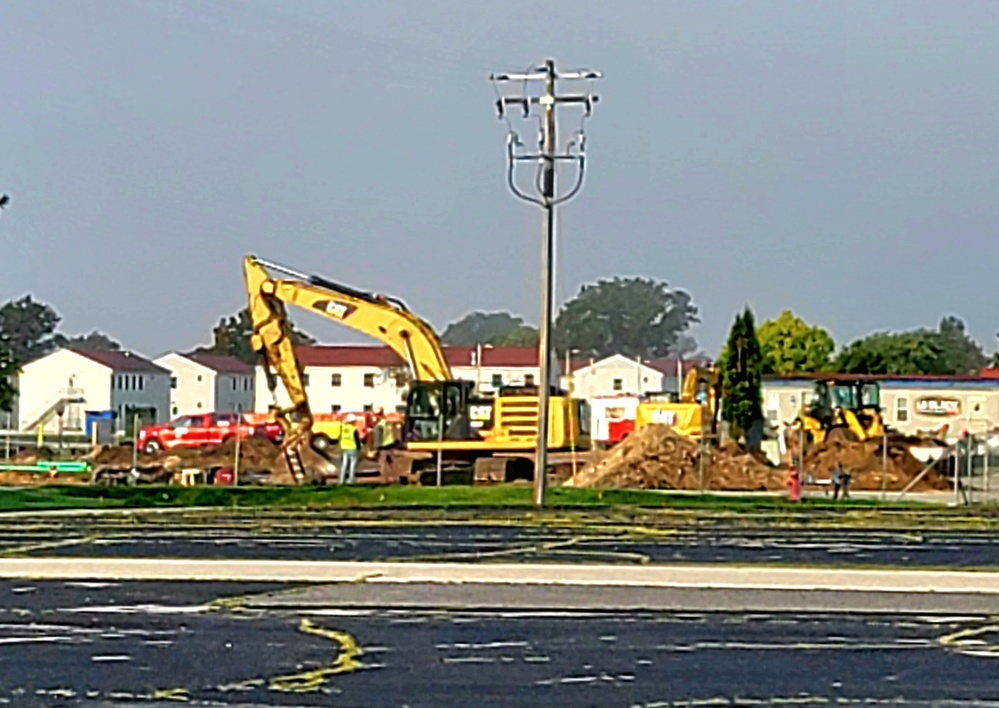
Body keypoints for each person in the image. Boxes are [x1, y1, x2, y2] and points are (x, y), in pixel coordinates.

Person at [338, 414, 361, 485]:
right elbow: (357, 440)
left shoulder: (343, 428)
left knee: (344, 464)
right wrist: (359, 448)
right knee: (352, 464)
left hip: (344, 448)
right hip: (353, 448)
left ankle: (341, 480)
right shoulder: (354, 429)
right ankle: (351, 480)